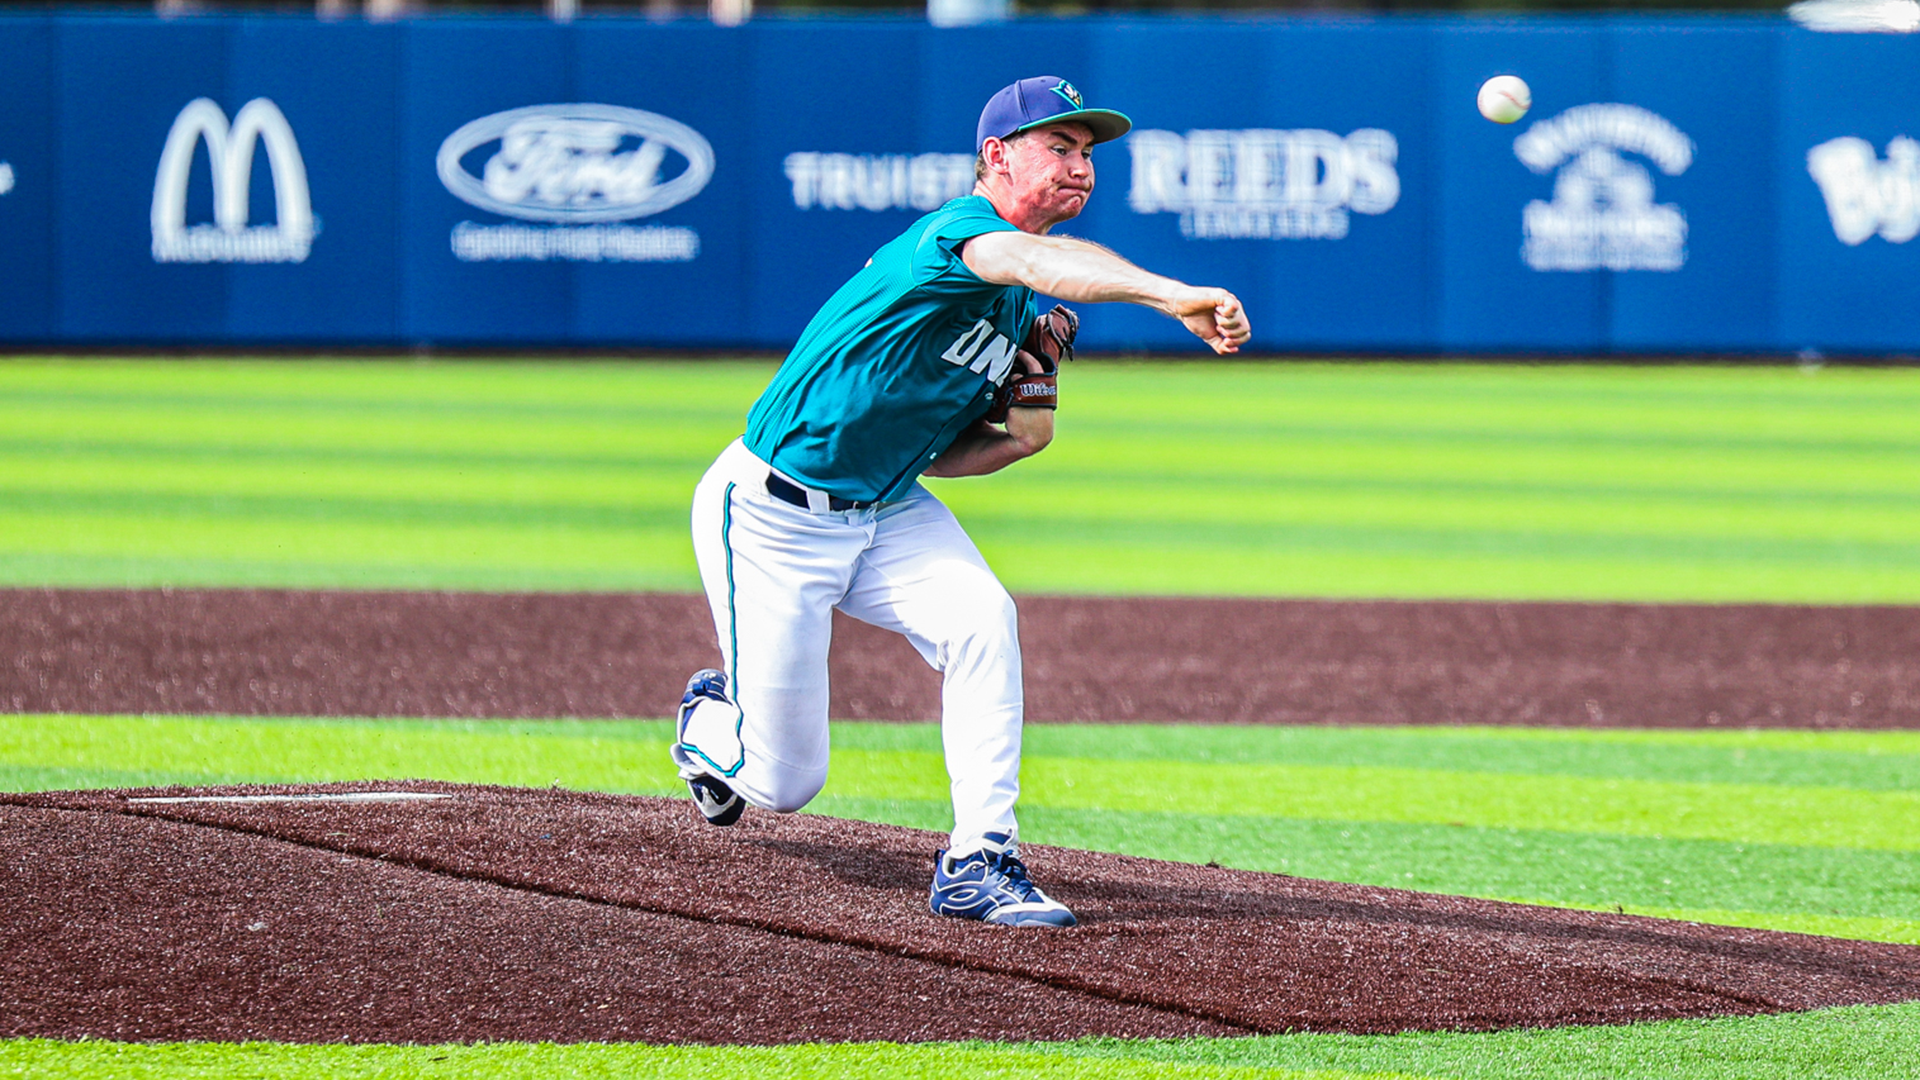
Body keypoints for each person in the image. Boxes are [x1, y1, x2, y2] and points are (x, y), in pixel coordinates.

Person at [673, 75, 1249, 928]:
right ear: (996, 157)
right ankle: (709, 718)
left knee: (984, 620)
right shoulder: (962, 237)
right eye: (1060, 146)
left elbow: (969, 451)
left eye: (1088, 153)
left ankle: (979, 859)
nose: (1080, 166)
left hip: (886, 507)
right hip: (772, 516)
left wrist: (1031, 421)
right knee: (783, 782)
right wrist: (1171, 296)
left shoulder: (1016, 305)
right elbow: (1043, 260)